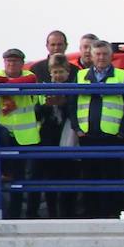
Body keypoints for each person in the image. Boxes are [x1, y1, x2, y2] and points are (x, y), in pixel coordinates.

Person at [74, 40, 124, 219]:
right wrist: (77, 128)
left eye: (104, 54)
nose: (101, 57)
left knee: (112, 178)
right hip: (88, 136)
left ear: (111, 56)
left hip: (113, 138)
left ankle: (111, 215)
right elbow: (72, 104)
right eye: (98, 54)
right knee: (89, 179)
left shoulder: (123, 76)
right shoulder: (80, 76)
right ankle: (91, 216)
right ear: (91, 56)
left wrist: (123, 132)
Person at [0, 48, 42, 218]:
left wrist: (3, 83)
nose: (11, 64)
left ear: (22, 63)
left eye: (15, 61)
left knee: (22, 181)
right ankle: (4, 216)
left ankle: (21, 215)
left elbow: (27, 81)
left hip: (25, 138)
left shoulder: (30, 77)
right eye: (8, 61)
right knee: (0, 182)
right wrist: (2, 81)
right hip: (1, 139)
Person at [30, 54, 81, 219]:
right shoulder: (43, 89)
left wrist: (65, 104)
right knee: (50, 179)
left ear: (68, 72)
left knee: (70, 178)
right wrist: (46, 106)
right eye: (55, 72)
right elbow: (36, 114)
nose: (58, 75)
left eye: (61, 72)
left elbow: (77, 113)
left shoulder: (74, 90)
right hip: (49, 139)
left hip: (68, 139)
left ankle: (69, 214)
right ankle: (52, 214)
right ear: (50, 73)